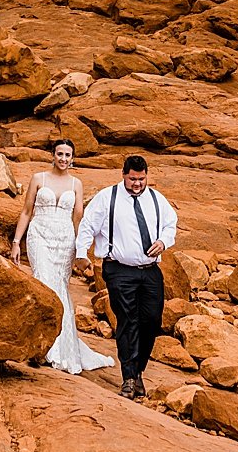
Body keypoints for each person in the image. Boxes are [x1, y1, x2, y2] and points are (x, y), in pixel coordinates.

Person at [74, 153, 178, 399]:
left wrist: (164, 241)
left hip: (150, 271)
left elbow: (170, 223)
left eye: (141, 179)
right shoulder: (107, 197)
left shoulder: (156, 199)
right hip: (119, 270)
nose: (137, 184)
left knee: (151, 321)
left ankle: (139, 370)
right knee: (128, 321)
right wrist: (81, 253)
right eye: (132, 179)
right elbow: (88, 225)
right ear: (123, 175)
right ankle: (128, 378)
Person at [10, 139, 114, 375]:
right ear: (53, 155)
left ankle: (59, 346)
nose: (63, 158)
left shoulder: (77, 183)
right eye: (60, 154)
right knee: (44, 283)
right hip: (39, 236)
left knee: (60, 289)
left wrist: (81, 251)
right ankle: (42, 346)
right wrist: (17, 242)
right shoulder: (39, 178)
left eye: (68, 155)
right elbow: (26, 211)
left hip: (64, 240)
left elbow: (78, 219)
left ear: (73, 158)